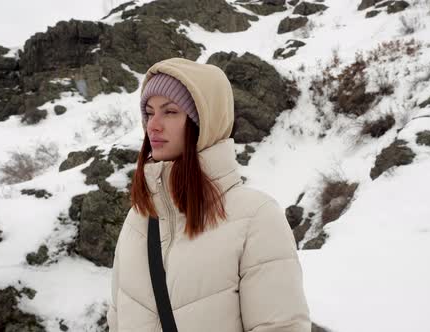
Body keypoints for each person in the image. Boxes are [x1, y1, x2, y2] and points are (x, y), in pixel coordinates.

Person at [106, 57, 311, 331]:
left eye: (170, 112)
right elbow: (118, 321)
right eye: (149, 111)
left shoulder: (255, 217)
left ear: (204, 123)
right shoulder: (138, 218)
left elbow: (281, 326)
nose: (152, 125)